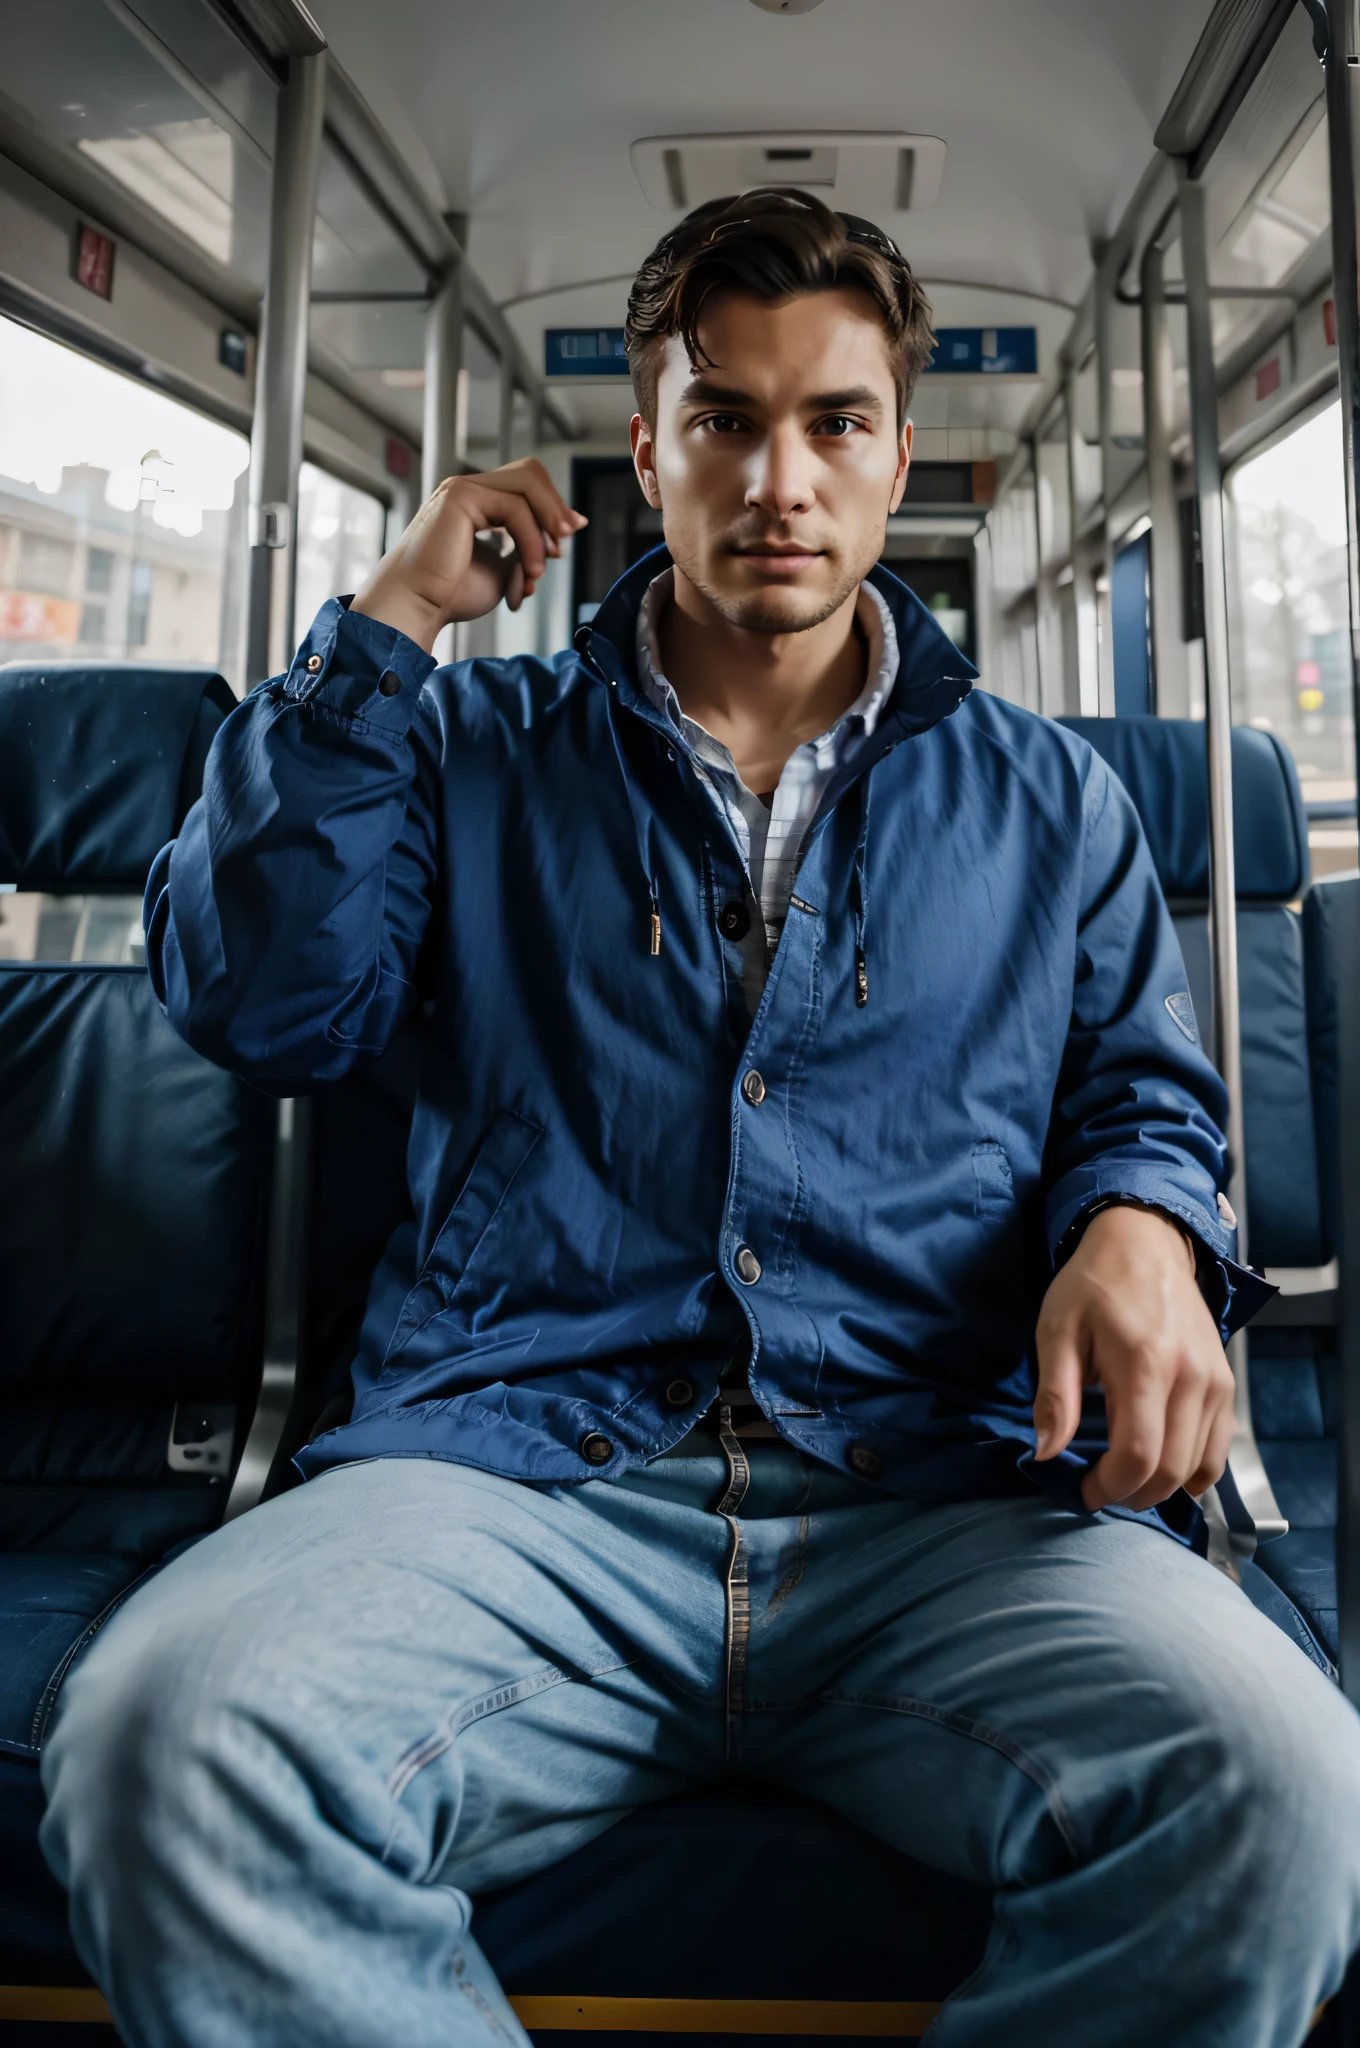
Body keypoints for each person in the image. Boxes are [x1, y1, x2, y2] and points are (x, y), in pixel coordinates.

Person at [39, 188, 1360, 2048]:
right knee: (162, 1743)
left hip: (938, 1490)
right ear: (643, 448)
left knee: (1292, 1794)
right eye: (721, 418)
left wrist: (1140, 1224)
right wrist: (395, 620)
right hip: (514, 1473)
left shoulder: (1050, 800)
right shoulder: (456, 745)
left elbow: (1142, 1093)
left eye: (833, 423)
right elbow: (259, 999)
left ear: (904, 454)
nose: (778, 479)